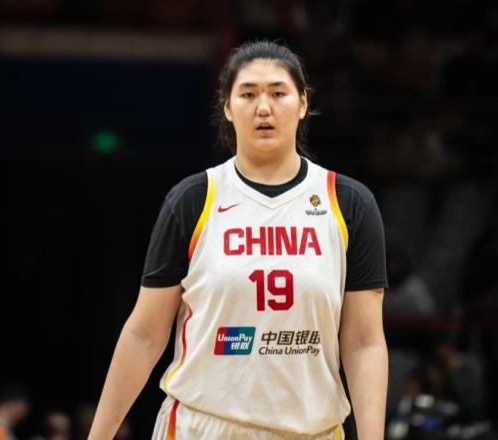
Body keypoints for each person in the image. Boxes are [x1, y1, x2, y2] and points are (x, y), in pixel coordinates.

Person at [88, 40, 388, 440]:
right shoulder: (194, 199)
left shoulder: (348, 203)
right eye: (248, 94)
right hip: (200, 426)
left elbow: (364, 342)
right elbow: (144, 334)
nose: (263, 107)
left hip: (312, 430)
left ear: (302, 103)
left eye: (278, 93)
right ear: (228, 108)